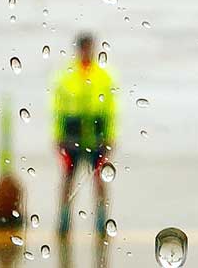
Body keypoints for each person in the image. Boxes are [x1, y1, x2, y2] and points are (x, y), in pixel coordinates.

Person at [51, 32, 117, 239]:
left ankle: (101, 220)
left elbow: (111, 108)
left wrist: (110, 136)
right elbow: (57, 107)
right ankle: (63, 220)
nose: (87, 52)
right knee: (68, 179)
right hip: (72, 133)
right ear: (79, 50)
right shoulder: (66, 75)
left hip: (97, 133)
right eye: (84, 48)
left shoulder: (103, 76)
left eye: (90, 48)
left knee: (99, 179)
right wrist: (57, 135)